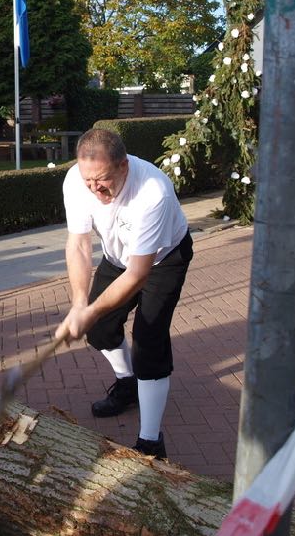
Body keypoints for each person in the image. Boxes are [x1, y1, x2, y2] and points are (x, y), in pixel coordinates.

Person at [55, 128, 192, 460]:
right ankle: (128, 383)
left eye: (102, 180)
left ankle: (150, 442)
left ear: (123, 166)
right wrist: (79, 303)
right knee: (99, 329)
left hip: (163, 259)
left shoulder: (153, 191)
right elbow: (78, 244)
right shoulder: (76, 180)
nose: (95, 188)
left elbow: (138, 273)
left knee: (148, 341)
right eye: (89, 181)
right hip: (118, 259)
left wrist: (89, 310)